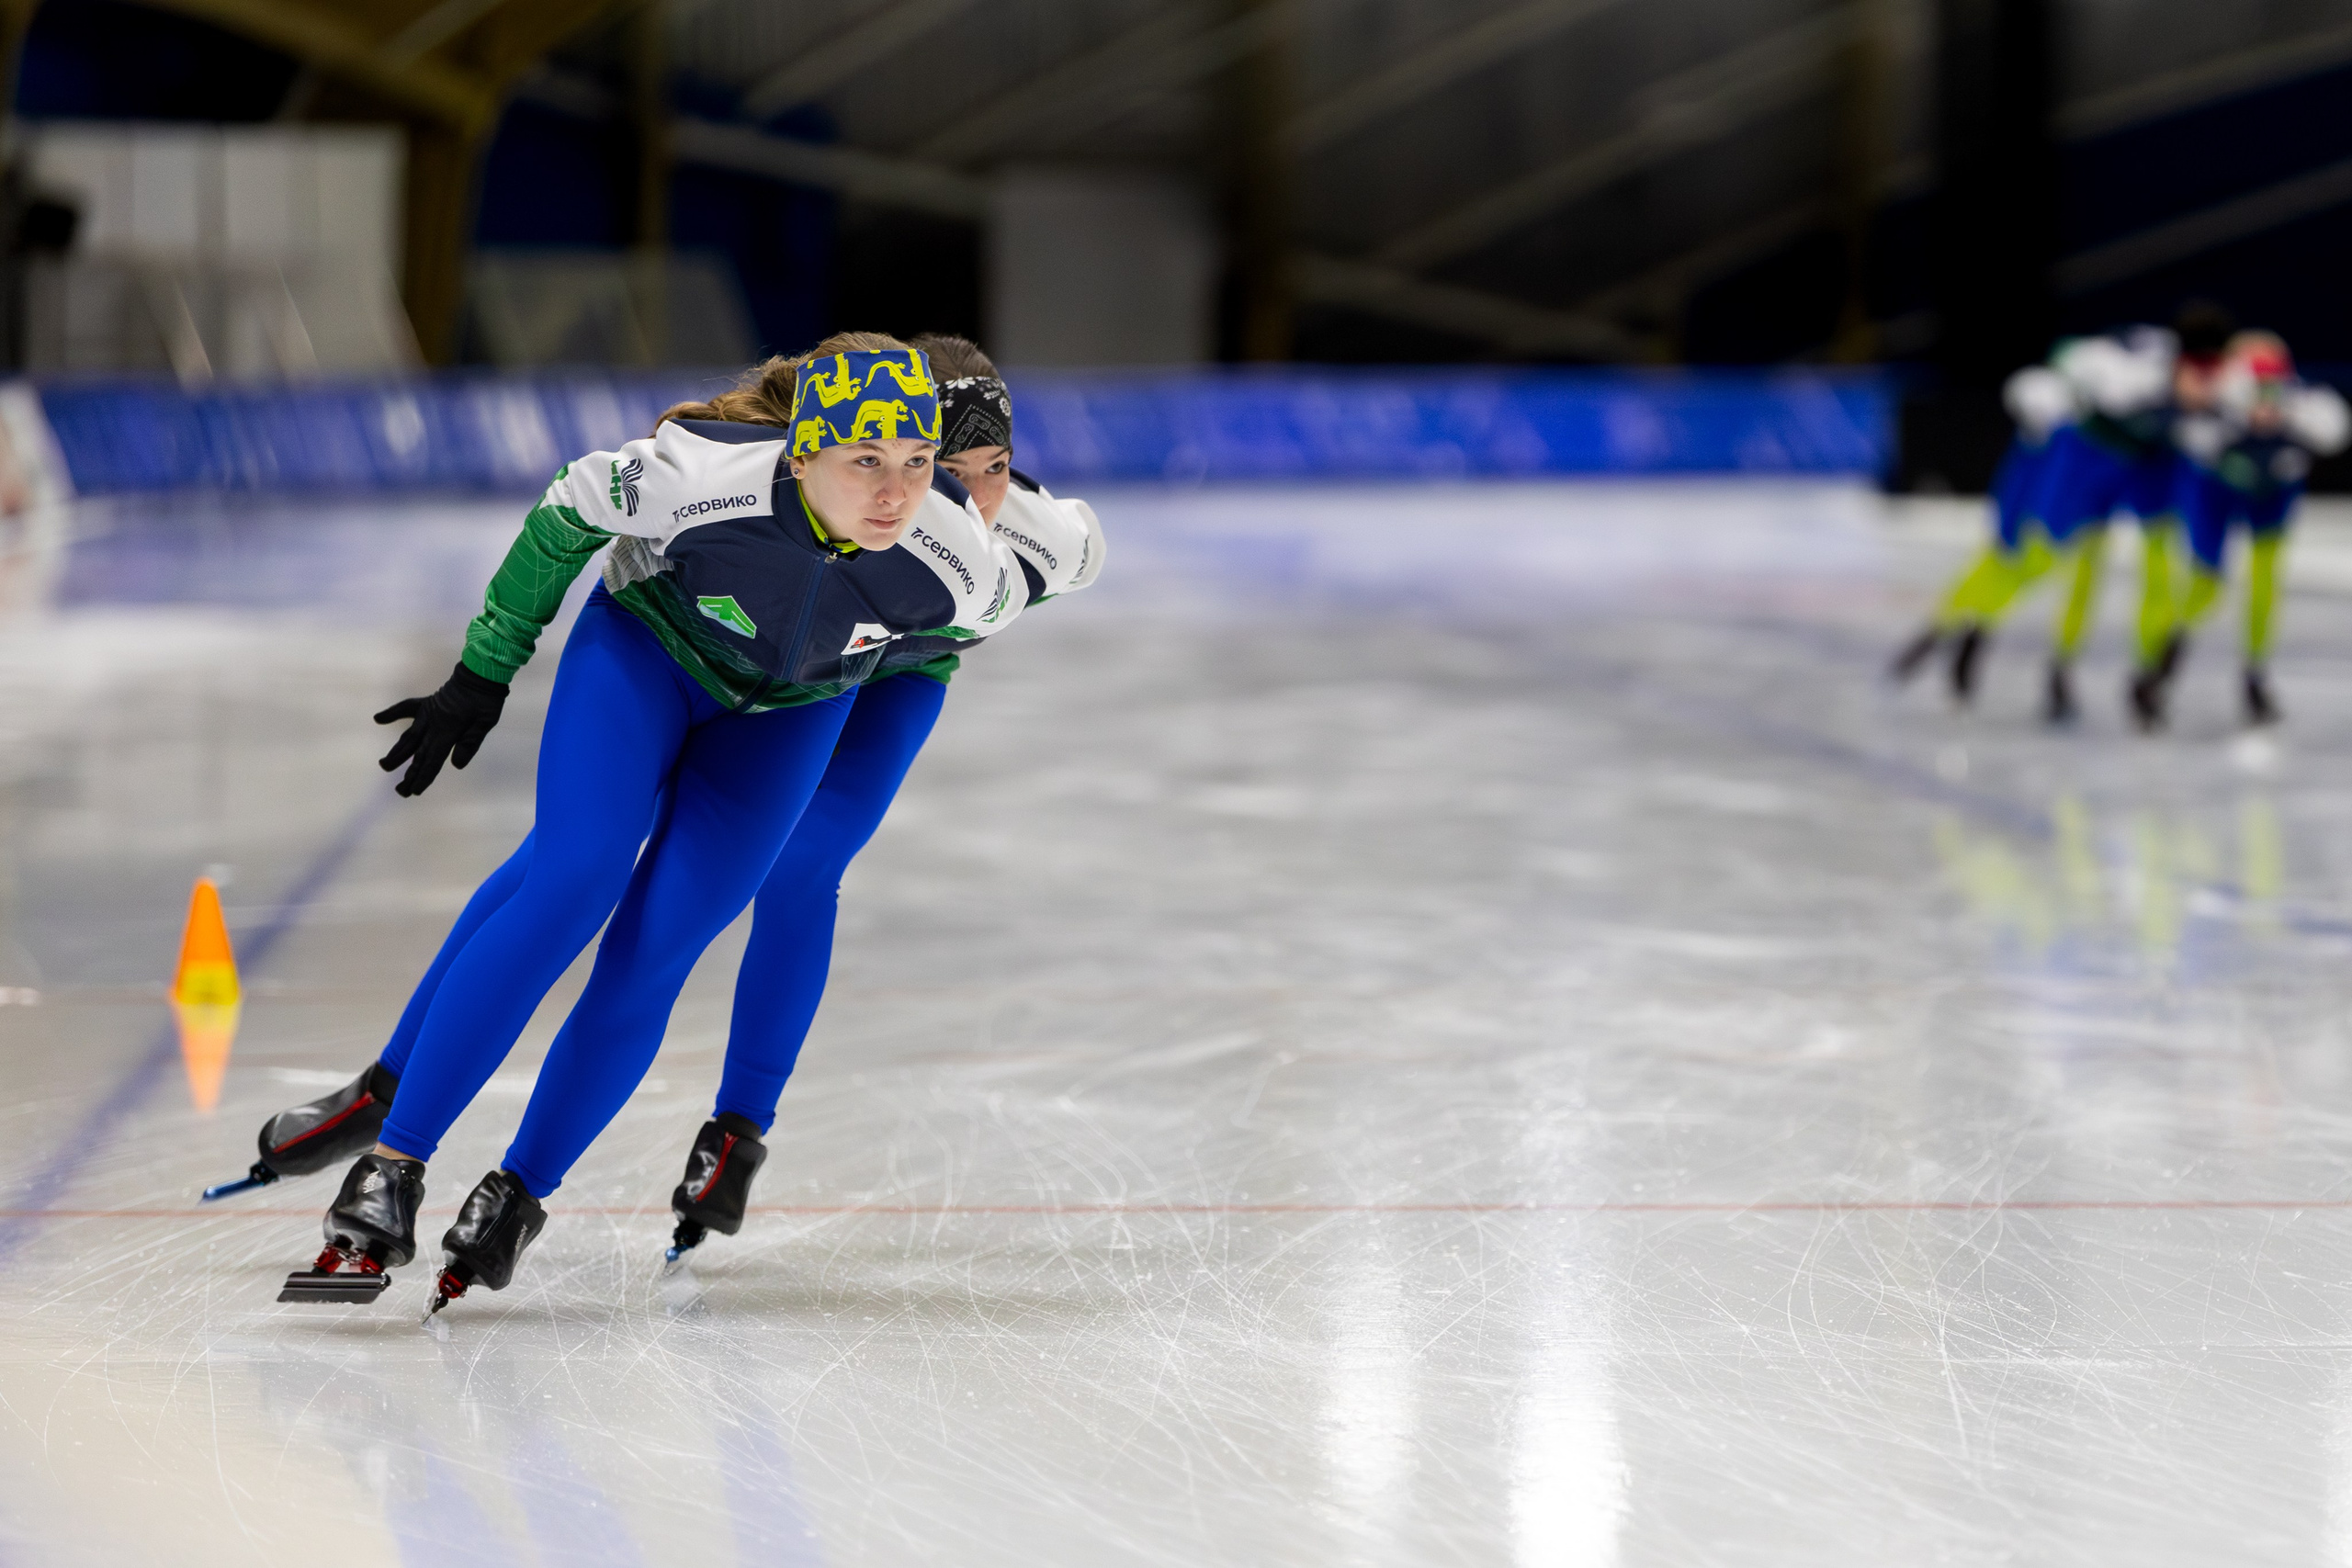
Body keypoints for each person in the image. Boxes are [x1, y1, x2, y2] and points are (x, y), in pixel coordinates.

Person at [273, 334, 1032, 1309]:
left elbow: (977, 616)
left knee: (656, 949)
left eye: (920, 464)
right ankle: (392, 1166)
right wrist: (485, 670)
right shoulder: (701, 475)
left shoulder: (963, 563)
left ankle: (518, 1194)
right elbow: (568, 508)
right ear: (802, 452)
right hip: (646, 656)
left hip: (784, 716)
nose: (897, 493)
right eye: (866, 462)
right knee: (573, 879)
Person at [662, 335, 1102, 1271]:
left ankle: (737, 1132)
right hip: (800, 657)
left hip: (898, 673)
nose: (974, 499)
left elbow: (1076, 551)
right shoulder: (838, 486)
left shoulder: (1048, 541)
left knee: (801, 869)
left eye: (995, 470)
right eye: (950, 472)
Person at [1891, 303, 2233, 721]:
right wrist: (2056, 396)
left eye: (2215, 374)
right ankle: (1955, 627)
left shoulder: (2216, 391)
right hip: (2084, 460)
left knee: (2147, 565)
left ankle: (2133, 675)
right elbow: (2066, 360)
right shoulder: (2132, 372)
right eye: (2199, 373)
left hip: (2143, 465)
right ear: (2178, 363)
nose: (2206, 386)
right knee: (2043, 559)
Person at [2129, 332, 2348, 728]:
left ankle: (2255, 678)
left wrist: (2293, 431)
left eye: (2274, 387)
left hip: (2271, 498)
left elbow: (2333, 431)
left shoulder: (2304, 407)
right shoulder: (2211, 411)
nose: (2266, 404)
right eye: (2256, 388)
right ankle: (2159, 667)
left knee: (2264, 584)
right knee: (2206, 584)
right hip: (2215, 495)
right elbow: (2179, 432)